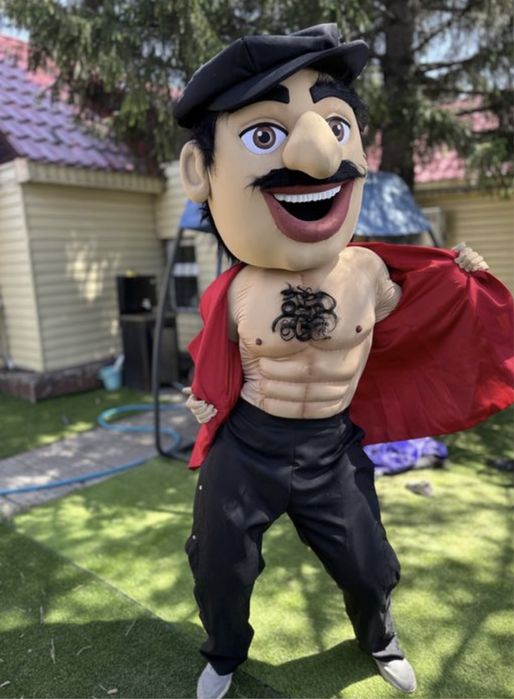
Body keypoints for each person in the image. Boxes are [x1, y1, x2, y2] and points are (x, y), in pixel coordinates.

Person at [173, 24, 513, 699]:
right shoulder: (233, 290)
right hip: (250, 442)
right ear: (200, 173)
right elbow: (214, 359)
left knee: (366, 559)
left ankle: (379, 637)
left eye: (335, 125)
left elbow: (422, 314)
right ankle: (224, 653)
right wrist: (201, 397)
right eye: (264, 133)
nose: (317, 153)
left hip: (331, 443)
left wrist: (463, 278)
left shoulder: (369, 272)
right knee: (219, 560)